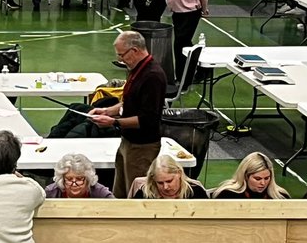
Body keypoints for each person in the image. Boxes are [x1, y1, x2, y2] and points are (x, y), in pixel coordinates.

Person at [90, 30, 167, 198]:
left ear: (134, 50)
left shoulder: (153, 76)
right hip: (127, 142)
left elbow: (148, 119)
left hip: (142, 147)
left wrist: (114, 122)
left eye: (122, 55)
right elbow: (130, 103)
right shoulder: (136, 69)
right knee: (119, 192)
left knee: (135, 196)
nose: (120, 59)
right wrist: (108, 111)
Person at [212, 152, 289, 199]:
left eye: (266, 178)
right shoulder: (227, 195)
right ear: (245, 176)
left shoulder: (281, 197)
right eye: (257, 179)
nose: (263, 183)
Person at [130, 155, 209, 199]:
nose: (165, 187)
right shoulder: (144, 194)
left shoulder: (196, 192)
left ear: (179, 174)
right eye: (160, 183)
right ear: (153, 179)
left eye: (169, 181)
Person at [45, 153, 113, 198]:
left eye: (79, 179)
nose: (74, 184)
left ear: (88, 179)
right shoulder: (50, 193)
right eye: (69, 179)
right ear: (62, 180)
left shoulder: (101, 193)